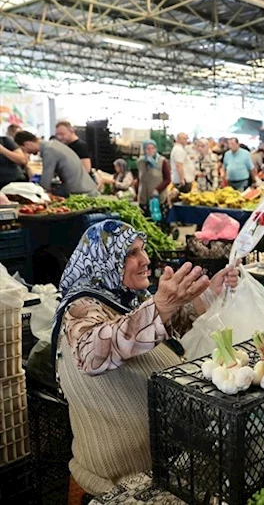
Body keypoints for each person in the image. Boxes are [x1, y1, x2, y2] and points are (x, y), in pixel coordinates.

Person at [52, 219, 239, 500]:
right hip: (118, 470)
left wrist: (212, 290)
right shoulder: (80, 307)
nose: (146, 260)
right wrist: (159, 307)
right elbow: (92, 353)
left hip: (163, 451)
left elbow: (167, 324)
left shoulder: (123, 298)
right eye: (132, 253)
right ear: (105, 260)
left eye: (143, 250)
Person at [15, 131, 98, 196]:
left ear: (27, 144)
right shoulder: (53, 144)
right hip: (86, 187)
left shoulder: (49, 151)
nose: (26, 153)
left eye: (24, 149)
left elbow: (45, 183)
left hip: (80, 192)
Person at [136, 139, 170, 214]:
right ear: (144, 150)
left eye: (152, 148)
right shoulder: (140, 162)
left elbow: (167, 179)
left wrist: (157, 190)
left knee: (157, 219)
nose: (150, 151)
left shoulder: (162, 161)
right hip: (143, 196)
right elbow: (140, 178)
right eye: (148, 148)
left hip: (158, 197)